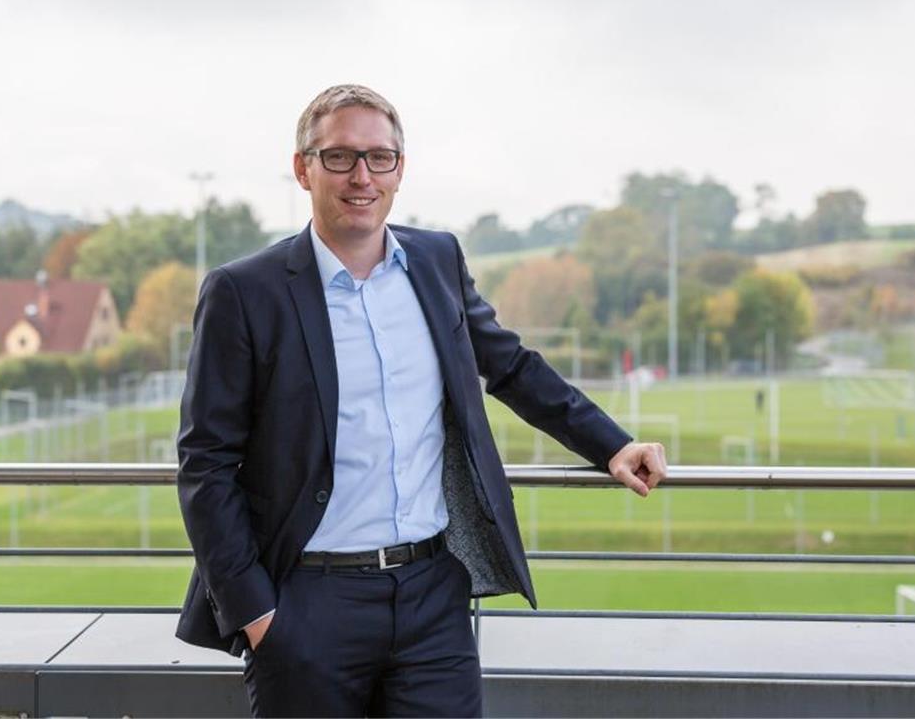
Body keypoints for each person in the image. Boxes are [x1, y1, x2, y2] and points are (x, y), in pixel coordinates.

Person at [175, 83, 668, 717]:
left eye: (380, 157)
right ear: (302, 168)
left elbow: (510, 366)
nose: (362, 176)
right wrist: (258, 615)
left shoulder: (437, 260)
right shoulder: (245, 291)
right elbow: (206, 464)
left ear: (400, 169)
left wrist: (612, 444)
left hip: (433, 596)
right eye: (339, 157)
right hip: (306, 603)